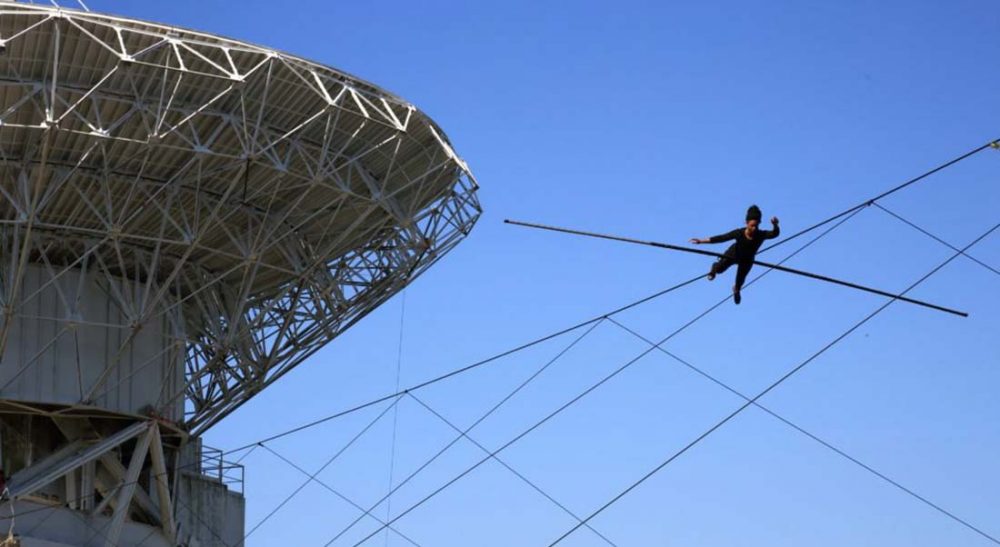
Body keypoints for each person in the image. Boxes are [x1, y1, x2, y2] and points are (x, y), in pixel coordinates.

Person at [689, 204, 780, 304]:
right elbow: (721, 238)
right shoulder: (739, 233)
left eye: (757, 225)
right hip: (733, 254)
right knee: (719, 269)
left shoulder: (761, 234)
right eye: (752, 225)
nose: (755, 228)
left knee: (740, 281)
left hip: (747, 260)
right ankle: (714, 268)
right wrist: (701, 241)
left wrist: (775, 225)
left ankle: (736, 290)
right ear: (746, 223)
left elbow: (774, 234)